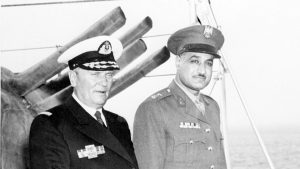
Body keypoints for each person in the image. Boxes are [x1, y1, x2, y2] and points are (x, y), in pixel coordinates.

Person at [29, 36, 138, 169]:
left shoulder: (119, 123)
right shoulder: (51, 125)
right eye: (95, 74)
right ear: (73, 78)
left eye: (108, 75)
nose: (104, 82)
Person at [133, 25, 227, 169]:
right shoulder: (154, 108)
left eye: (208, 63)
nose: (202, 70)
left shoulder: (212, 107)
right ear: (178, 62)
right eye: (194, 61)